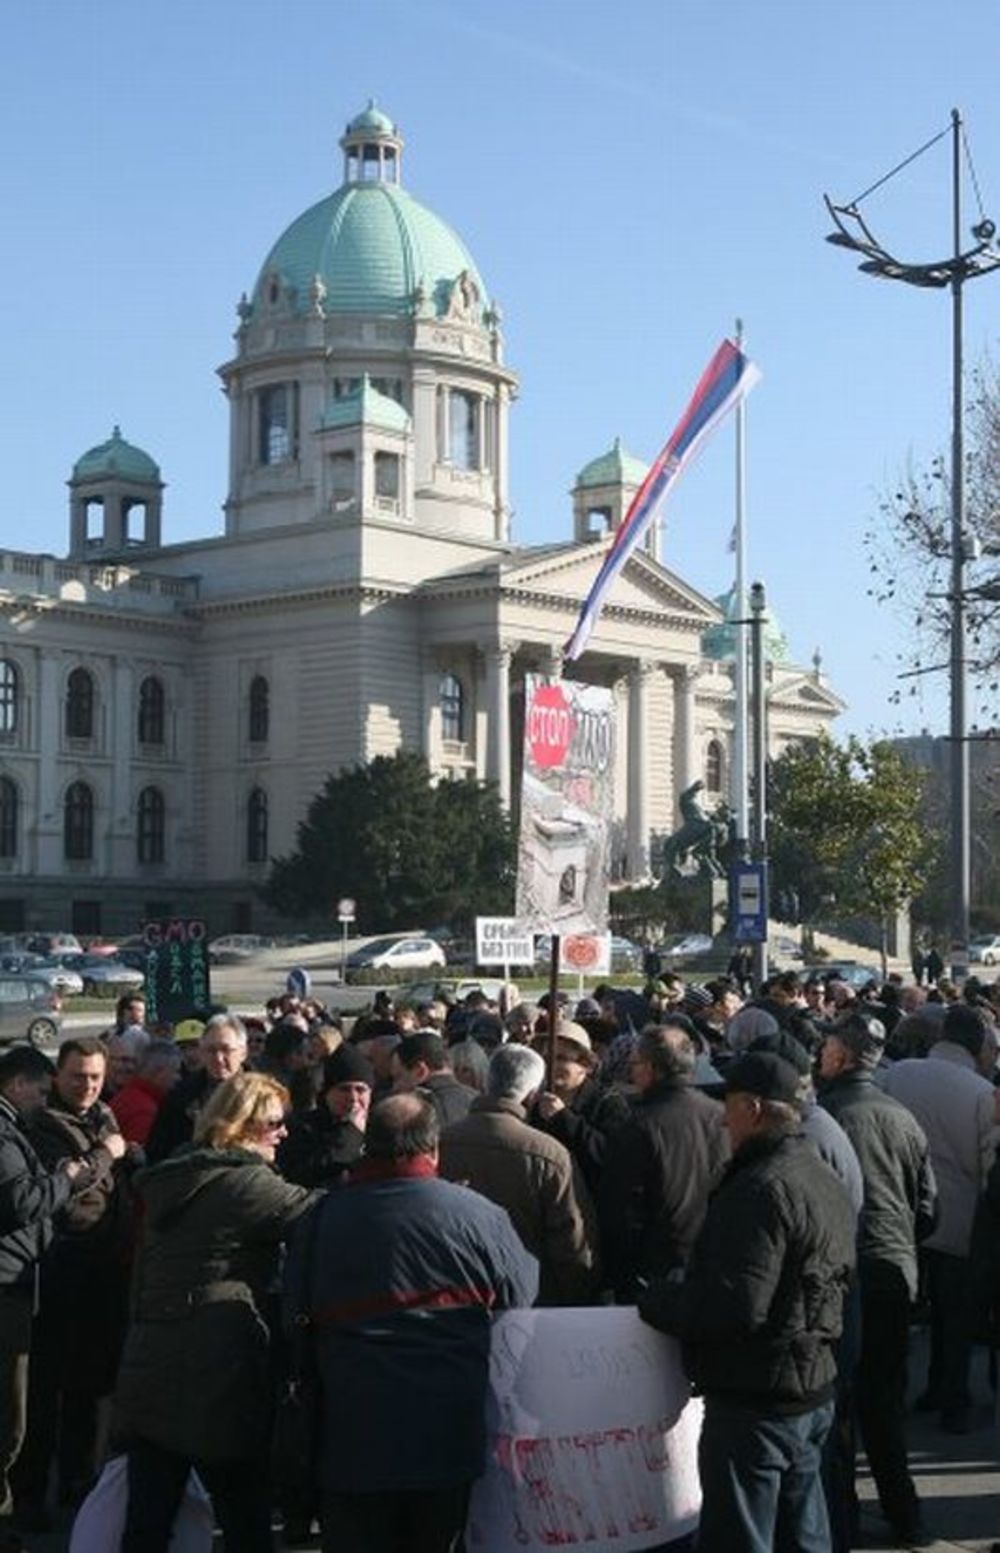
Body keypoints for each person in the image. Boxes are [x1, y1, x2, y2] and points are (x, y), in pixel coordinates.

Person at [299, 1093, 538, 1553]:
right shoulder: (478, 1215)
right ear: (433, 1150)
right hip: (446, 1432)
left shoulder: (322, 1217)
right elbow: (520, 1298)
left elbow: (295, 1313)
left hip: (351, 1433)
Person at [639, 1051, 856, 1553]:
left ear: (755, 1109)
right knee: (804, 1532)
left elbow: (736, 1307)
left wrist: (662, 1302)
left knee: (744, 1536)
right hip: (808, 1385)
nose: (721, 1117)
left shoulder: (760, 1189)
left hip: (758, 1397)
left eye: (730, 1105)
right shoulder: (817, 1172)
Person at [112, 1072, 313, 1552]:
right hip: (217, 1369)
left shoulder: (177, 1172)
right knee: (244, 1516)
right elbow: (320, 1215)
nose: (283, 1133)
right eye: (274, 1123)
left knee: (148, 1519)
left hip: (151, 1361)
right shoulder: (244, 1184)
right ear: (243, 1126)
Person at [818, 1012, 938, 1546]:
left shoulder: (825, 1118)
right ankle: (904, 1512)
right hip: (895, 1269)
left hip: (848, 1272)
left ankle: (841, 1516)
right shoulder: (901, 1116)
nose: (820, 1057)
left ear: (842, 1058)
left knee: (840, 1402)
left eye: (826, 1051)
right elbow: (927, 1207)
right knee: (884, 1401)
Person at [14, 1038, 133, 1526]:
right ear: (57, 1077)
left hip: (105, 1268)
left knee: (90, 1384)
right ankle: (29, 1495)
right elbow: (66, 1189)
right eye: (78, 1077)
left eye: (95, 1078)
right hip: (59, 1268)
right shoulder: (42, 1125)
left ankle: (77, 1483)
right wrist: (106, 1155)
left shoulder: (104, 1114)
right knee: (44, 1391)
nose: (87, 1086)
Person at [0, 1047, 101, 1553]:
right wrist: (68, 1178)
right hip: (9, 1284)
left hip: (22, 1277)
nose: (45, 1100)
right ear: (17, 1084)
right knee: (11, 1416)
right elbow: (21, 1202)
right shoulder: (7, 1132)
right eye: (41, 1090)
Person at [883, 1002, 999, 1432]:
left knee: (901, 1311)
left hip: (903, 1212)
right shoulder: (978, 1092)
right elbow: (987, 1164)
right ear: (978, 1044)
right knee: (955, 1315)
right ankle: (951, 1395)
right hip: (960, 1219)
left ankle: (894, 1395)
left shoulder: (899, 1075)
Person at [438, 1045, 599, 1305]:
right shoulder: (549, 1155)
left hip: (453, 1295)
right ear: (532, 1095)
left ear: (486, 1080)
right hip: (529, 1299)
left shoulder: (439, 1142)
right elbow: (571, 1243)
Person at [598, 1023, 728, 1301]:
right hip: (712, 1258)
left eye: (634, 1064)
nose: (631, 1072)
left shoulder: (638, 1124)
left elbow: (618, 1209)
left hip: (653, 1271)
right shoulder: (721, 1115)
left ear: (650, 1068)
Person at [530, 1021, 630, 1195]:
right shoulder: (536, 1101)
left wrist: (563, 1118)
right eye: (546, 1058)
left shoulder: (608, 1102)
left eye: (561, 1058)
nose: (551, 1066)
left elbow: (610, 1156)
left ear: (586, 1065)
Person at [144, 1014, 248, 1163]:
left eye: (226, 1050)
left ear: (243, 1052)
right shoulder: (181, 1096)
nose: (218, 1058)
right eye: (211, 1050)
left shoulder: (264, 1093)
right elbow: (158, 1151)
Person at [278, 1046, 373, 1188]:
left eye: (360, 1090)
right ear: (327, 1093)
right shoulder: (301, 1127)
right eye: (344, 1089)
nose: (353, 1098)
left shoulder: (381, 1127)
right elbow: (303, 1175)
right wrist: (350, 1133)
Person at [391, 1032, 477, 1126]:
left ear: (420, 1071)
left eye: (398, 1077)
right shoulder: (477, 1100)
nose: (395, 1087)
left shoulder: (414, 1111)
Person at [110, 1039, 182, 1147]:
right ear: (158, 1072)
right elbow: (140, 1158)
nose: (179, 1078)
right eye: (175, 1071)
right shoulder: (146, 1111)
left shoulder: (128, 1095)